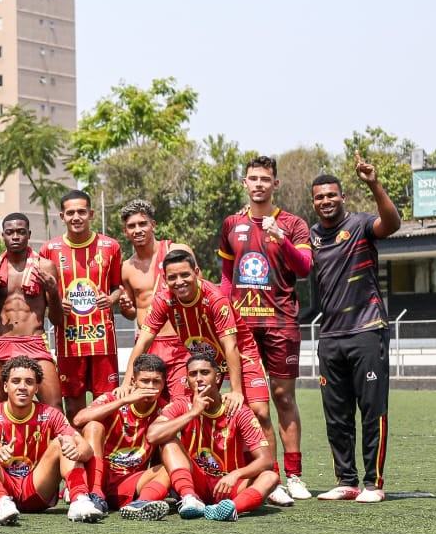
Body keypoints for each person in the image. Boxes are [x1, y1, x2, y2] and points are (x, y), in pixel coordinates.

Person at [218, 155, 314, 504]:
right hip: (243, 327)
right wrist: (225, 312)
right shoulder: (231, 224)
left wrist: (281, 239)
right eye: (253, 178)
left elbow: (304, 268)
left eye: (265, 179)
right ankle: (267, 477)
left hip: (281, 322)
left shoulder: (294, 223)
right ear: (245, 183)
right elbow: (228, 276)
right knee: (254, 407)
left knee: (283, 397)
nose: (259, 183)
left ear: (276, 184)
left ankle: (296, 475)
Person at [126, 250, 277, 470]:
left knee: (259, 411)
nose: (179, 282)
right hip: (203, 362)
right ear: (165, 278)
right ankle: (200, 472)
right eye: (172, 277)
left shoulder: (215, 298)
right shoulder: (163, 300)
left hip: (239, 355)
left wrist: (236, 390)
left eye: (185, 275)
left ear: (196, 272)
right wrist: (126, 382)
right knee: (191, 410)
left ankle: (271, 477)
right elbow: (142, 342)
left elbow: (231, 346)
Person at [309, 153, 401, 503]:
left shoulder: (362, 224)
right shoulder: (313, 236)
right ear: (313, 202)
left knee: (372, 411)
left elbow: (391, 224)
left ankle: (373, 484)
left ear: (343, 197)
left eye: (331, 195)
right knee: (336, 415)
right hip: (330, 336)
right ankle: (346, 481)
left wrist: (374, 183)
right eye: (319, 197)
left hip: (366, 330)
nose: (326, 201)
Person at [139, 347, 281, 522]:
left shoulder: (238, 410)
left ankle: (230, 509)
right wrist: (193, 413)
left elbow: (266, 460)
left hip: (228, 485)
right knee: (168, 440)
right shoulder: (182, 405)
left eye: (205, 372)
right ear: (187, 381)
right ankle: (189, 498)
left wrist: (236, 475)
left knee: (271, 477)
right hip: (195, 482)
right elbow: (153, 436)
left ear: (218, 377)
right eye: (193, 374)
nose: (199, 378)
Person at [0, 356, 94, 524]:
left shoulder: (50, 414)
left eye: (29, 382)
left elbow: (87, 449)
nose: (22, 387)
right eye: (16, 381)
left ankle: (80, 500)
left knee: (65, 443)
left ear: (36, 388)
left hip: (37, 489)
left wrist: (77, 452)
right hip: (0, 487)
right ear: (6, 386)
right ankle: (2, 502)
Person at [42, 189, 124, 420]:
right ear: (62, 216)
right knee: (74, 406)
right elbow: (43, 298)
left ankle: (104, 452)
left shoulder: (111, 246)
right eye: (70, 213)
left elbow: (119, 287)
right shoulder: (50, 250)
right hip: (69, 341)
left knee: (106, 404)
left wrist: (111, 299)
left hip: (103, 341)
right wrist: (56, 305)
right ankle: (78, 453)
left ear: (91, 213)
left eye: (81, 212)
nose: (76, 217)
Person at [71, 352, 171, 520]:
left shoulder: (164, 409)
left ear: (163, 384)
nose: (150, 387)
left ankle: (140, 504)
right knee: (93, 425)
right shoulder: (115, 398)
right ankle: (96, 495)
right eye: (145, 381)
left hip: (129, 482)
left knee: (170, 467)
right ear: (133, 381)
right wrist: (125, 401)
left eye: (156, 382)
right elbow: (78, 419)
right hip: (99, 476)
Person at [0, 213, 64, 406]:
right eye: (10, 233)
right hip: (4, 341)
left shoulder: (45, 267)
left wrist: (53, 291)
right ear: (3, 236)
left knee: (54, 407)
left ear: (29, 234)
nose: (15, 237)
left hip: (34, 341)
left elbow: (58, 319)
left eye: (20, 232)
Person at [115, 200, 193, 399]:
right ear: (125, 231)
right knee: (150, 409)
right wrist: (126, 307)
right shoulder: (127, 267)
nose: (138, 230)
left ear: (153, 225)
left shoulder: (176, 252)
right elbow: (133, 312)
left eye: (143, 224)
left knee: (182, 405)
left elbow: (198, 292)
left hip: (179, 342)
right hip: (148, 345)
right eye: (132, 226)